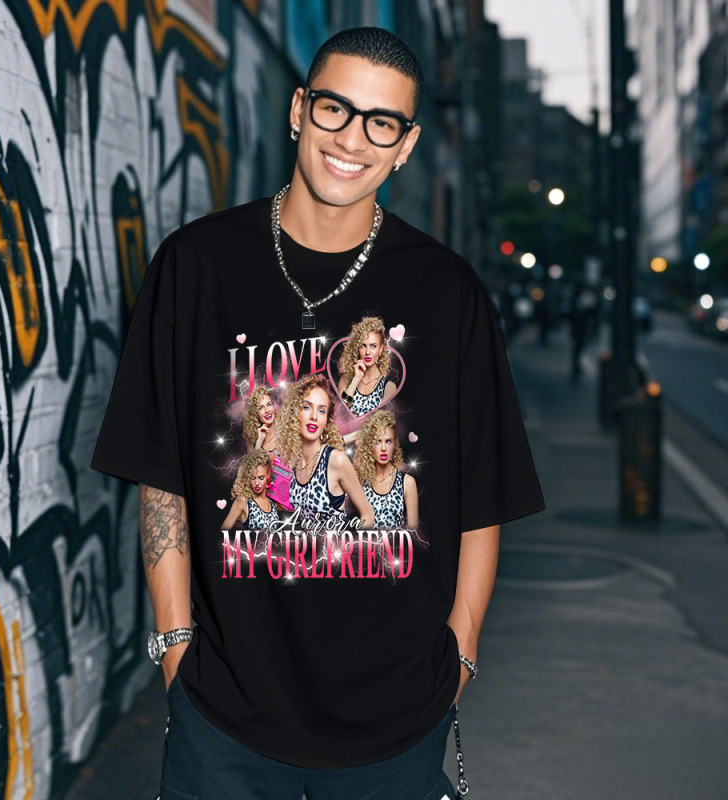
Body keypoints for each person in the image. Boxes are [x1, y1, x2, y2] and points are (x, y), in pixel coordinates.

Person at [91, 26, 544, 799]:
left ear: (406, 145)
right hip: (223, 715)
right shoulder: (196, 265)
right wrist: (175, 646)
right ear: (300, 109)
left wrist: (461, 653)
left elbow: (482, 495)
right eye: (336, 109)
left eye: (382, 122)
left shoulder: (447, 291)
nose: (353, 139)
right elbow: (161, 472)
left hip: (397, 718)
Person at [278, 373, 374, 526]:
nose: (314, 417)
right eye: (307, 407)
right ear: (294, 413)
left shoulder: (336, 460)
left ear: (326, 421)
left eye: (321, 411)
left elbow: (368, 514)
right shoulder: (295, 462)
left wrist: (353, 540)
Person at [352, 408, 418, 529]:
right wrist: (361, 434)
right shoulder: (361, 480)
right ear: (369, 444)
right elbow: (331, 445)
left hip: (395, 541)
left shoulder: (407, 483)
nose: (383, 448)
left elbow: (414, 532)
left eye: (388, 441)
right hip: (364, 541)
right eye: (377, 441)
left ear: (394, 443)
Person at [337, 315, 398, 416]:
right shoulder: (346, 378)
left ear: (381, 348)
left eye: (373, 346)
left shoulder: (389, 387)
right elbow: (340, 412)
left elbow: (379, 422)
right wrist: (356, 379)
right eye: (363, 346)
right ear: (357, 348)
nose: (367, 352)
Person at [221, 449, 280, 530]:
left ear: (268, 475)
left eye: (261, 478)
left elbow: (295, 508)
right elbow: (223, 531)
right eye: (252, 478)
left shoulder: (272, 503)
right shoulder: (243, 501)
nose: (257, 483)